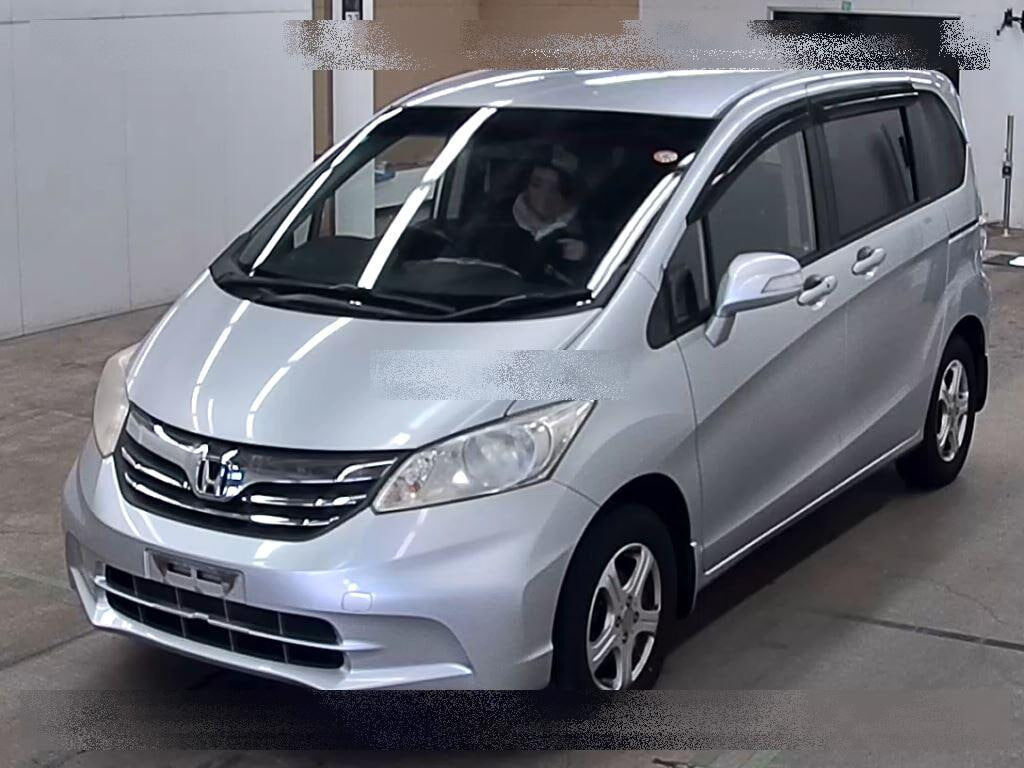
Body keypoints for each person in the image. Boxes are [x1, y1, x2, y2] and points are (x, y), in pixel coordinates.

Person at [451, 146, 592, 284]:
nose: (545, 195)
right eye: (537, 184)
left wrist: (587, 255)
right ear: (526, 185)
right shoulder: (493, 222)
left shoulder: (589, 228)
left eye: (557, 188)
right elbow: (459, 266)